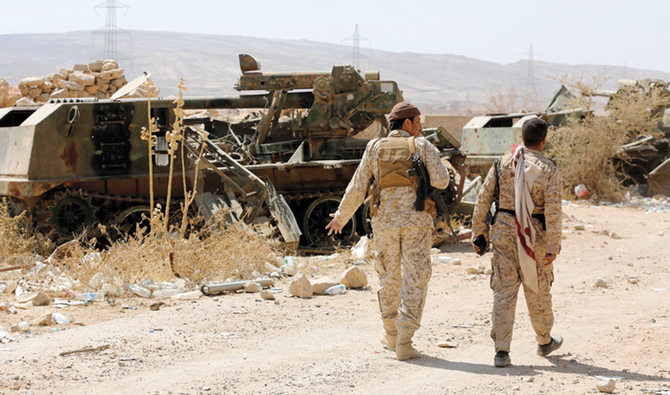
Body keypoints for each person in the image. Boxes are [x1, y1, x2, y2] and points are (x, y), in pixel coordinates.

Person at [326, 101, 449, 361]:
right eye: (418, 122)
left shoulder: (374, 147)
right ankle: (405, 341)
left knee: (388, 276)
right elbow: (441, 181)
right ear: (407, 123)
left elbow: (358, 186)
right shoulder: (422, 145)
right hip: (416, 223)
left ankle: (390, 333)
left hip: (384, 224)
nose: (421, 126)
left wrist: (341, 216)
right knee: (415, 277)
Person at [471, 117, 564, 368]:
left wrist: (479, 232)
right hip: (534, 236)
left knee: (504, 290)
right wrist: (553, 245)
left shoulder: (504, 162)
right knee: (537, 288)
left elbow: (483, 198)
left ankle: (502, 350)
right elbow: (554, 211)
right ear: (544, 140)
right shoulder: (549, 169)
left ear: (520, 138)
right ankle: (544, 341)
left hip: (503, 230)